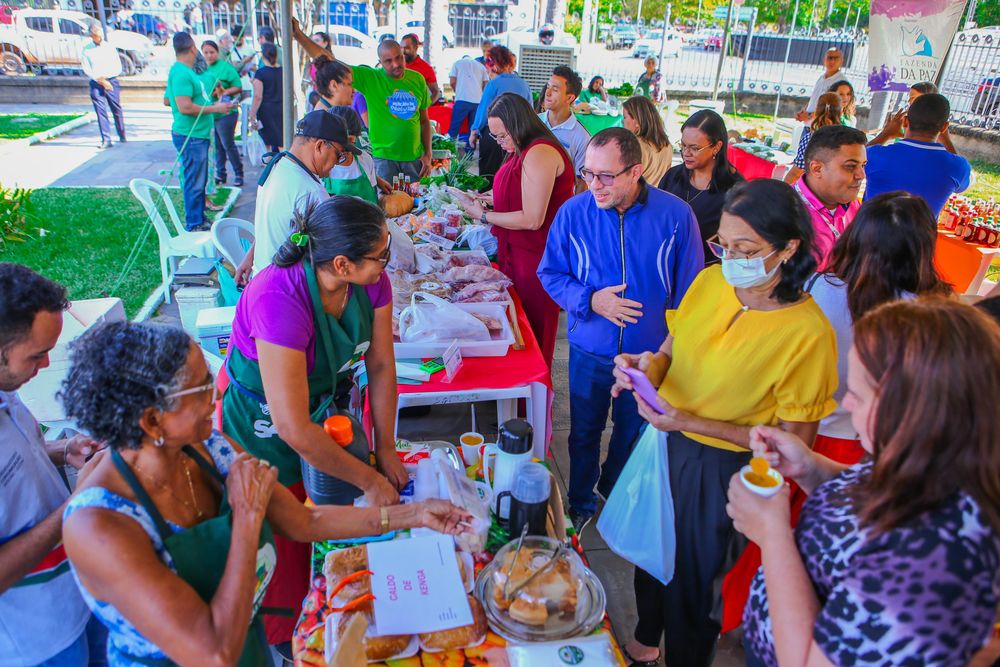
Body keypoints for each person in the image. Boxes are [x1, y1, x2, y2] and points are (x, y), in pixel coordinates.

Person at [61, 320, 470, 664]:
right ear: (152, 421)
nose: (217, 395)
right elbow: (213, 653)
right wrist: (246, 520)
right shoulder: (98, 525)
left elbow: (304, 520)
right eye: (202, 389)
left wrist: (413, 515)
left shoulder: (211, 449)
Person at [612, 179, 837, 667]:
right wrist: (644, 368)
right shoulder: (713, 282)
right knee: (650, 557)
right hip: (665, 439)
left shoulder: (807, 333)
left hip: (725, 469)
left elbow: (791, 446)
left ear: (788, 247)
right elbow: (674, 348)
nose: (731, 257)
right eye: (724, 244)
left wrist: (691, 421)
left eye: (746, 248)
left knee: (694, 587)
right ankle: (644, 641)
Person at [735, 299, 1000, 667]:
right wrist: (810, 467)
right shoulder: (930, 457)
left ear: (914, 411)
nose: (846, 405)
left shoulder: (935, 564)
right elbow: (876, 497)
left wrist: (772, 531)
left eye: (858, 395)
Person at [223, 196, 406, 646]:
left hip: (324, 413)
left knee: (335, 528)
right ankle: (290, 643)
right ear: (342, 263)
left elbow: (381, 366)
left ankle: (337, 617)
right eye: (381, 256)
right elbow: (292, 427)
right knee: (285, 542)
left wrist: (384, 449)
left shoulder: (370, 284)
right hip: (263, 428)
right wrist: (368, 478)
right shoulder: (278, 297)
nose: (387, 262)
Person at [538, 128, 703, 534]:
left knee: (632, 432)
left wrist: (668, 352)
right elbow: (551, 273)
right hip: (590, 348)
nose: (594, 184)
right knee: (583, 433)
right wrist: (592, 301)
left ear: (636, 171)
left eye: (606, 176)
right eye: (588, 173)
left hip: (647, 356)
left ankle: (612, 490)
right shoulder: (573, 212)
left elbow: (692, 292)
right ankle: (580, 501)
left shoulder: (677, 215)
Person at [0, 264, 106, 667]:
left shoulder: (6, 385)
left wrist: (63, 449)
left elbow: (20, 451)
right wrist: (75, 504)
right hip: (38, 640)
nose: (45, 366)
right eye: (37, 354)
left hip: (78, 591)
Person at [808, 192, 953, 462]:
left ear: (855, 235)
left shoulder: (815, 287)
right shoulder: (931, 312)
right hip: (872, 444)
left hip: (802, 429)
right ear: (923, 248)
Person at [456, 93, 574, 367]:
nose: (500, 143)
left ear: (519, 124)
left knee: (533, 330)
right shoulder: (520, 149)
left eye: (502, 136)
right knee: (516, 327)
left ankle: (533, 396)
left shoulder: (540, 152)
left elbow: (533, 218)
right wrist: (489, 198)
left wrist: (484, 216)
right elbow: (523, 193)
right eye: (495, 137)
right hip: (517, 252)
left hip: (536, 257)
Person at [293, 23, 433, 182]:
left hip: (413, 158)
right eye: (388, 61)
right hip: (383, 158)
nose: (395, 64)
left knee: (416, 202)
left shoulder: (418, 79)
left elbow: (424, 120)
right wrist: (299, 35)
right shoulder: (371, 78)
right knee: (388, 204)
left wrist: (428, 154)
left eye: (398, 57)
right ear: (380, 61)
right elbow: (328, 60)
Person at [236, 111, 358, 282]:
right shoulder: (310, 192)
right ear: (320, 146)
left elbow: (275, 224)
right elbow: (329, 258)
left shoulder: (278, 165)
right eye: (338, 155)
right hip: (285, 291)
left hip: (261, 278)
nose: (336, 164)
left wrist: (251, 256)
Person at [166, 32, 234, 233]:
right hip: (191, 135)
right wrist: (216, 108)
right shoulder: (181, 73)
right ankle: (194, 223)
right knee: (194, 182)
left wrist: (211, 102)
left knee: (199, 180)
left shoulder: (186, 72)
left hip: (199, 134)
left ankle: (199, 218)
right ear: (193, 49)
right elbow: (184, 107)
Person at [864, 93, 971, 216]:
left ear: (905, 121)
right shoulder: (957, 166)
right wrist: (947, 140)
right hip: (920, 235)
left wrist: (885, 134)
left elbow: (854, 160)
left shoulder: (875, 155)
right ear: (944, 127)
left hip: (870, 232)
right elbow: (961, 187)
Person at [658, 109, 743, 265]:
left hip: (705, 270)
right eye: (683, 146)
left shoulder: (736, 191)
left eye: (695, 148)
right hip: (665, 263)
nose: (686, 153)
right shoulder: (673, 176)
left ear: (716, 147)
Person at [791, 125, 866, 271]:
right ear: (817, 169)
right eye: (851, 166)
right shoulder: (785, 212)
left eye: (863, 165)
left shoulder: (854, 206)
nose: (861, 175)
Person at [469, 45, 531, 177]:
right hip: (517, 138)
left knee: (488, 177)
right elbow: (531, 113)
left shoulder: (494, 84)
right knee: (510, 177)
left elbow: (484, 110)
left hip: (494, 138)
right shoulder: (524, 84)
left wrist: (474, 132)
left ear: (494, 66)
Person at [323, 105, 391, 203]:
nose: (345, 147)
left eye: (350, 140)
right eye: (340, 141)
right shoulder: (322, 169)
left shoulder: (365, 159)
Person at [201, 40, 244, 187]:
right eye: (206, 52)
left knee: (227, 144)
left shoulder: (225, 67)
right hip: (211, 113)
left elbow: (238, 86)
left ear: (217, 52)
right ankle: (221, 174)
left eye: (212, 52)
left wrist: (224, 92)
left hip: (226, 112)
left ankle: (239, 173)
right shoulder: (201, 69)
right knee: (217, 145)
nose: (209, 55)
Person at [81, 22, 126, 150]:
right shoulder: (87, 49)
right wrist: (99, 79)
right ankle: (106, 138)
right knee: (100, 110)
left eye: (100, 35)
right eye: (96, 35)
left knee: (116, 108)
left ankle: (121, 132)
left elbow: (117, 66)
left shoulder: (109, 48)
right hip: (97, 82)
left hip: (111, 80)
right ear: (91, 35)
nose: (98, 37)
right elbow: (86, 68)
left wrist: (106, 79)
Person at [539, 66, 591, 176]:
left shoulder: (581, 137)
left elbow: (581, 181)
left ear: (570, 98)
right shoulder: (534, 122)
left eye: (555, 89)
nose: (547, 93)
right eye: (548, 87)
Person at [784, 91, 841, 186]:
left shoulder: (810, 139)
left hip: (814, 192)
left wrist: (782, 191)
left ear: (816, 111)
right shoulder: (846, 139)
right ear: (840, 112)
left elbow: (796, 173)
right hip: (836, 192)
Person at [622, 95, 672, 186]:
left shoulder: (635, 146)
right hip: (655, 197)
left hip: (637, 198)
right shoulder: (667, 145)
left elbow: (625, 182)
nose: (622, 121)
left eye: (625, 117)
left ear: (637, 121)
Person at [249, 43, 283, 153]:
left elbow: (258, 96)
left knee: (267, 144)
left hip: (266, 111)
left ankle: (269, 167)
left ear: (263, 57)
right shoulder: (283, 71)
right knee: (282, 142)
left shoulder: (261, 73)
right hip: (282, 108)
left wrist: (252, 113)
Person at [448, 53, 489, 144]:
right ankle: (469, 154)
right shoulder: (481, 66)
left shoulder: (457, 63)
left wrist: (457, 90)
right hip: (477, 102)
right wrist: (480, 93)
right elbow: (486, 83)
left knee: (454, 128)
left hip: (462, 99)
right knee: (473, 130)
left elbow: (452, 81)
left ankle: (450, 151)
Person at [797, 47, 844, 121]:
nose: (832, 61)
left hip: (821, 126)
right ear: (824, 60)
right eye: (829, 58)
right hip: (809, 125)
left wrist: (809, 116)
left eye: (836, 58)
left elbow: (832, 109)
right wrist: (804, 111)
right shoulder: (821, 78)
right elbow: (814, 99)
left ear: (841, 61)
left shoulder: (841, 82)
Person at [401, 33, 441, 104]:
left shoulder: (426, 68)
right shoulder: (396, 65)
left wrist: (425, 106)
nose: (403, 51)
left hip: (415, 112)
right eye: (401, 47)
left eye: (407, 48)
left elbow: (436, 92)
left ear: (416, 47)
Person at [229, 24, 256, 101]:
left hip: (247, 86)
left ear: (243, 37)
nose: (237, 40)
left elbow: (255, 68)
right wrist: (244, 62)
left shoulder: (250, 50)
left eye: (239, 37)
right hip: (234, 86)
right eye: (235, 38)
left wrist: (243, 65)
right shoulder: (230, 49)